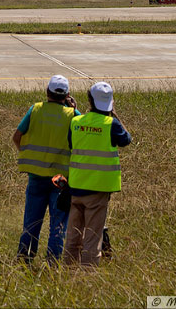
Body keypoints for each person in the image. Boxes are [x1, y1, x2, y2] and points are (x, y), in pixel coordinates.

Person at [13, 75, 80, 263]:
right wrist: (75, 109)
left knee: (31, 223)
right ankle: (53, 262)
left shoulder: (35, 110)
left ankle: (24, 258)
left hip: (36, 176)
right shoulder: (73, 116)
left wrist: (29, 156)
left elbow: (16, 137)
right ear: (67, 95)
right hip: (61, 179)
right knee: (58, 224)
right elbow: (83, 134)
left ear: (47, 92)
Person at [64, 81, 131, 267]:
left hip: (76, 188)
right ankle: (87, 275)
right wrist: (114, 114)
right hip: (98, 190)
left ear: (90, 100)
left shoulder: (76, 122)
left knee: (72, 236)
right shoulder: (111, 124)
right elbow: (126, 139)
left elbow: (71, 145)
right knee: (92, 238)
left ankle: (68, 271)